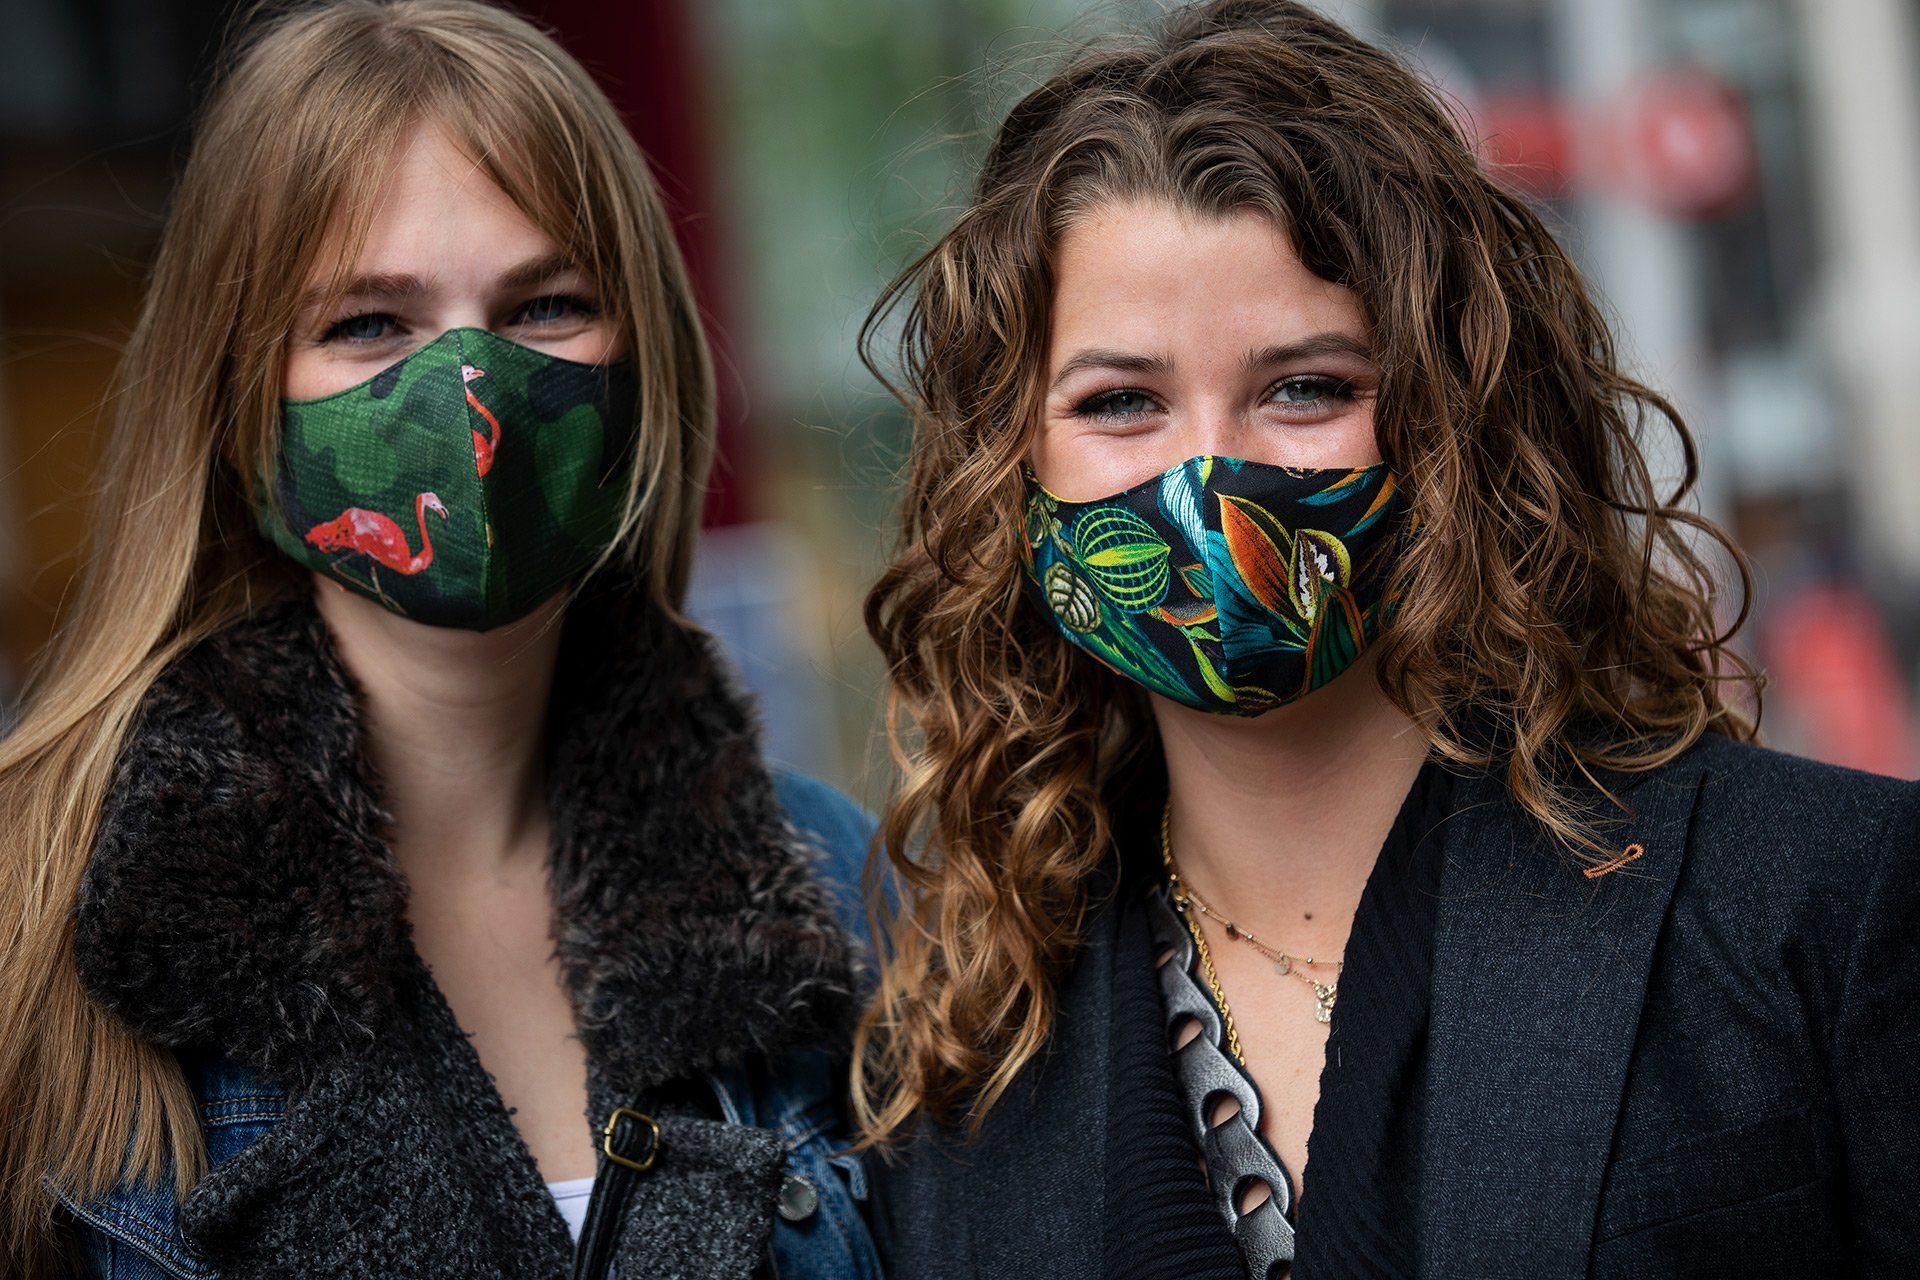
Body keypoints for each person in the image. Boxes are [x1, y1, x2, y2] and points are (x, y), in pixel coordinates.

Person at [851, 2, 1920, 1277]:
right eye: (1120, 401)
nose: (1211, 478)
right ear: (1010, 472)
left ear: (1457, 424)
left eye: (1307, 386)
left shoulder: (1815, 900)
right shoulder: (957, 1067)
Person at [0, 3, 881, 1277]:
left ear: (643, 372)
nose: (472, 397)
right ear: (240, 402)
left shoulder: (835, 885)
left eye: (544, 306)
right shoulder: (33, 909)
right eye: (369, 323)